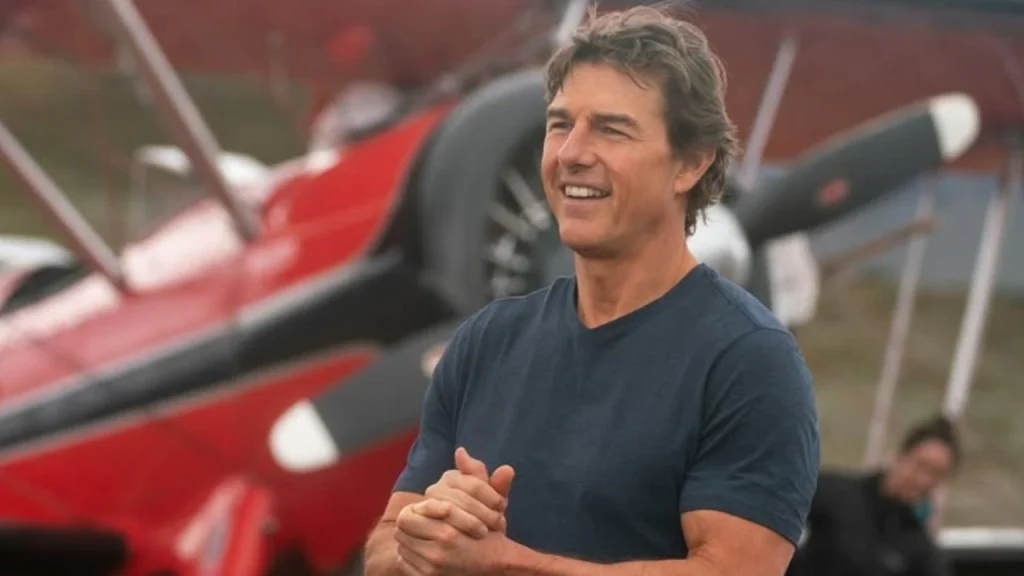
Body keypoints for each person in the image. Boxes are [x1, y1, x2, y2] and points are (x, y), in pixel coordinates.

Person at [363, 5, 820, 575]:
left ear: (690, 164)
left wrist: (502, 563)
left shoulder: (749, 362)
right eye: (560, 125)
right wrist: (428, 537)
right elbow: (384, 549)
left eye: (611, 129)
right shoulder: (486, 341)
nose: (571, 153)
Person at [787, 415, 960, 576]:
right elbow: (779, 504)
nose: (923, 480)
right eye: (921, 465)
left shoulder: (921, 549)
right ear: (900, 456)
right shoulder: (837, 495)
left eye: (936, 474)